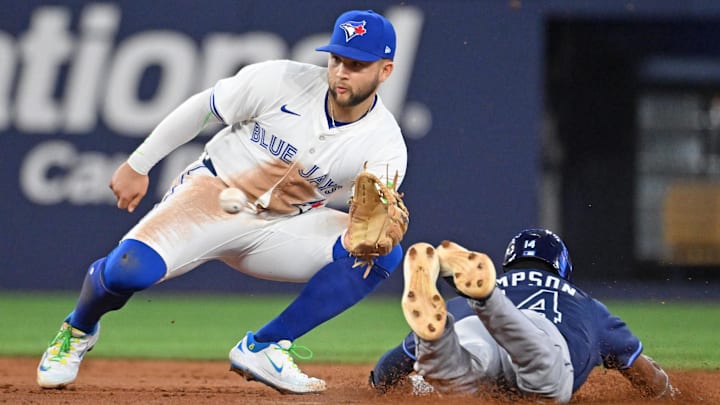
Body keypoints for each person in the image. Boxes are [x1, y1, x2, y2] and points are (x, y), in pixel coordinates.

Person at [37, 9, 407, 395]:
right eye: (336, 59)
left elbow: (375, 215)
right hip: (210, 196)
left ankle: (266, 347)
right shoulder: (282, 79)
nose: (341, 71)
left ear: (385, 71)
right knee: (128, 271)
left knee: (380, 253)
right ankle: (78, 329)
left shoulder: (385, 144)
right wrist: (139, 164)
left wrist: (376, 225)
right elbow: (203, 108)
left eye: (357, 64)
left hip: (282, 227)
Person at [369, 229, 678, 402]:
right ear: (562, 268)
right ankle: (490, 302)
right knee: (539, 367)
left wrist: (376, 384)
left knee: (458, 379)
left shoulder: (458, 303)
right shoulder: (586, 306)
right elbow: (645, 376)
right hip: (545, 337)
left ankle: (441, 339)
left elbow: (390, 367)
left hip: (471, 326)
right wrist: (669, 392)